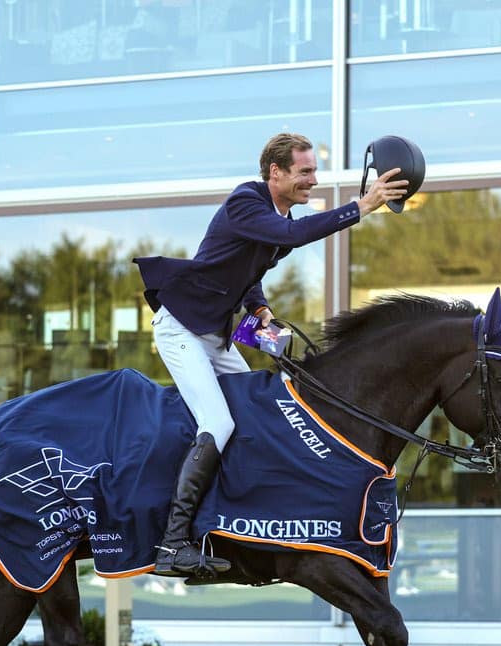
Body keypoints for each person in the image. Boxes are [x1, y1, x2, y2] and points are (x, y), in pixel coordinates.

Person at [134, 132, 409, 577]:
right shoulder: (246, 201)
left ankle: (232, 522)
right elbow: (293, 235)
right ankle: (172, 545)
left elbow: (248, 270)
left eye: (314, 172)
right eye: (305, 172)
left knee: (257, 413)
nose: (313, 181)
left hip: (216, 333)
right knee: (219, 422)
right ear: (274, 173)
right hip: (181, 328)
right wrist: (362, 206)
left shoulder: (276, 212)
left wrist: (259, 309)